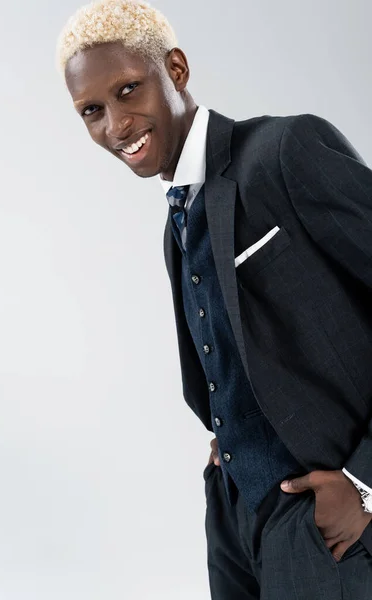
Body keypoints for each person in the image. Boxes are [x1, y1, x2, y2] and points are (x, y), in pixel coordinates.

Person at [56, 1, 372, 597]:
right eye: (92, 111)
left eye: (129, 90)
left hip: (326, 517)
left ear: (175, 69)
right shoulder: (176, 220)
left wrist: (363, 480)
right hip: (234, 516)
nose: (116, 125)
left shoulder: (285, 150)